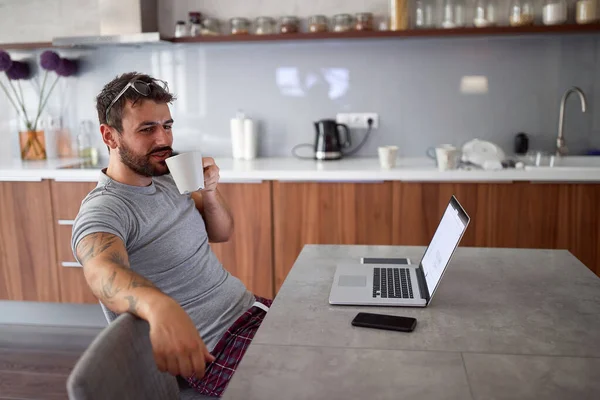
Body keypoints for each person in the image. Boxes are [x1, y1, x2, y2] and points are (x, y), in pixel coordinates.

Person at [71, 71, 271, 398]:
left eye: (167, 126)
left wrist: (209, 191)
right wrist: (159, 307)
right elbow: (102, 271)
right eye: (147, 129)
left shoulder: (167, 176)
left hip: (249, 310)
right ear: (110, 136)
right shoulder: (106, 208)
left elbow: (221, 233)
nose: (164, 140)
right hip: (213, 347)